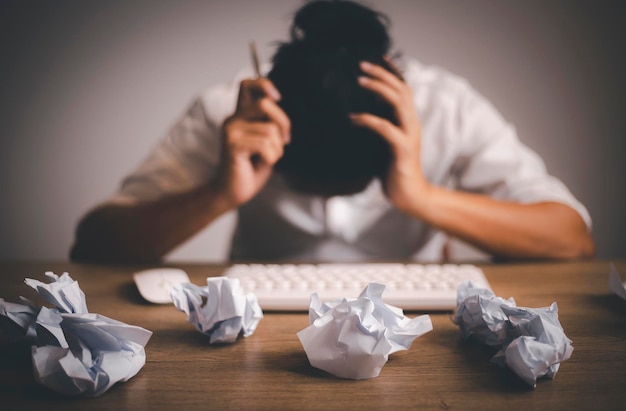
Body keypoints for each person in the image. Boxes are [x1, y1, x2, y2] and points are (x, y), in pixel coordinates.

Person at [69, 0, 594, 264]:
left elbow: (570, 238)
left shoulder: (445, 105)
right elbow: (94, 246)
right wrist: (219, 194)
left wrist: (420, 196)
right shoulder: (232, 116)